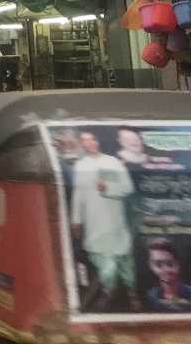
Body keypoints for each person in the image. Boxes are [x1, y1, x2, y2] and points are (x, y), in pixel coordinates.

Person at [71, 129, 137, 310]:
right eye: (83, 140)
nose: (88, 143)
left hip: (113, 220)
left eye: (91, 139)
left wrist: (107, 187)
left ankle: (132, 293)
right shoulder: (80, 166)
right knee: (100, 258)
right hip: (93, 221)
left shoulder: (113, 162)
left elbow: (127, 187)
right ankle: (109, 291)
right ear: (81, 144)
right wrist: (76, 220)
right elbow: (78, 195)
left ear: (97, 141)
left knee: (123, 258)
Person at [146, 238, 191, 312]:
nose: (165, 270)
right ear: (151, 266)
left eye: (170, 264)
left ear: (178, 264)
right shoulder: (151, 296)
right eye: (158, 264)